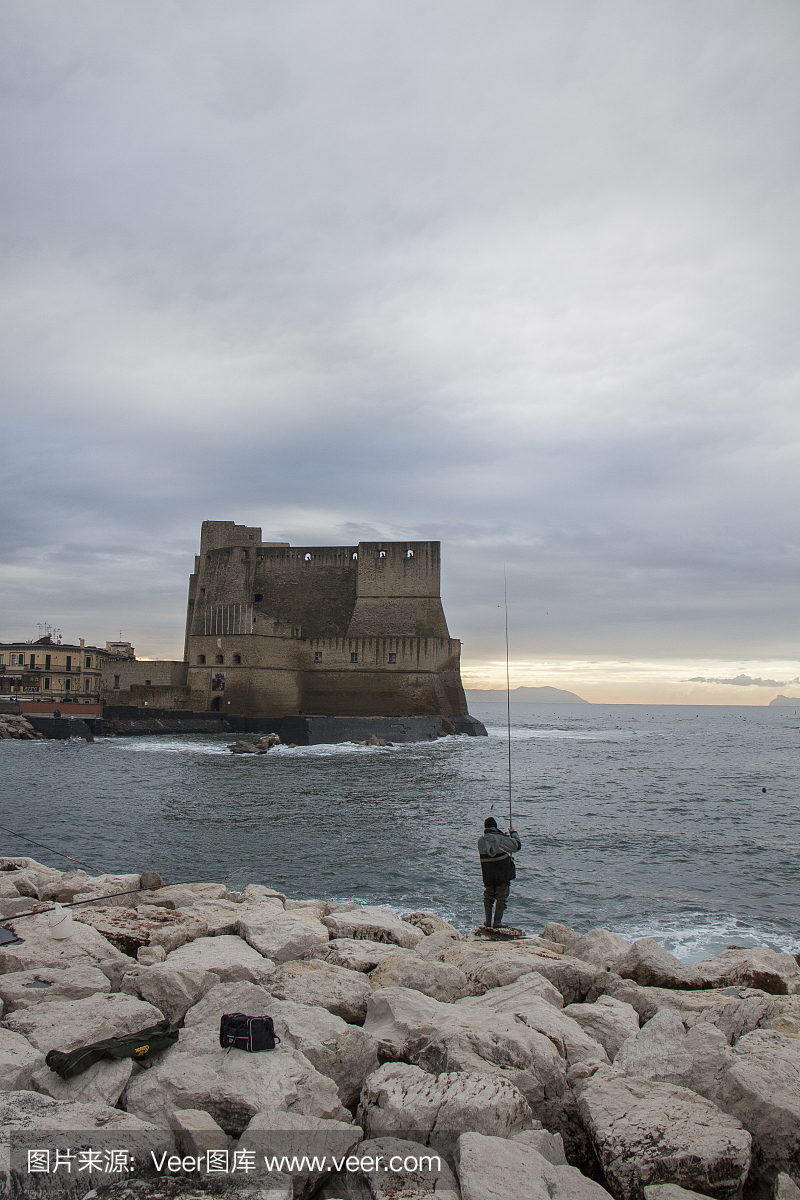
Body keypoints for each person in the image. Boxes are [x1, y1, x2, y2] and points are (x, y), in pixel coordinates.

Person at [478, 816, 521, 929]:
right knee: (502, 898)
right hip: (502, 874)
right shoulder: (500, 839)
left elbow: (492, 848)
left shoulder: (480, 841)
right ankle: (497, 923)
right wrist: (513, 833)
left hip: (488, 875)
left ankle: (488, 922)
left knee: (488, 897)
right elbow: (517, 846)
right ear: (495, 827)